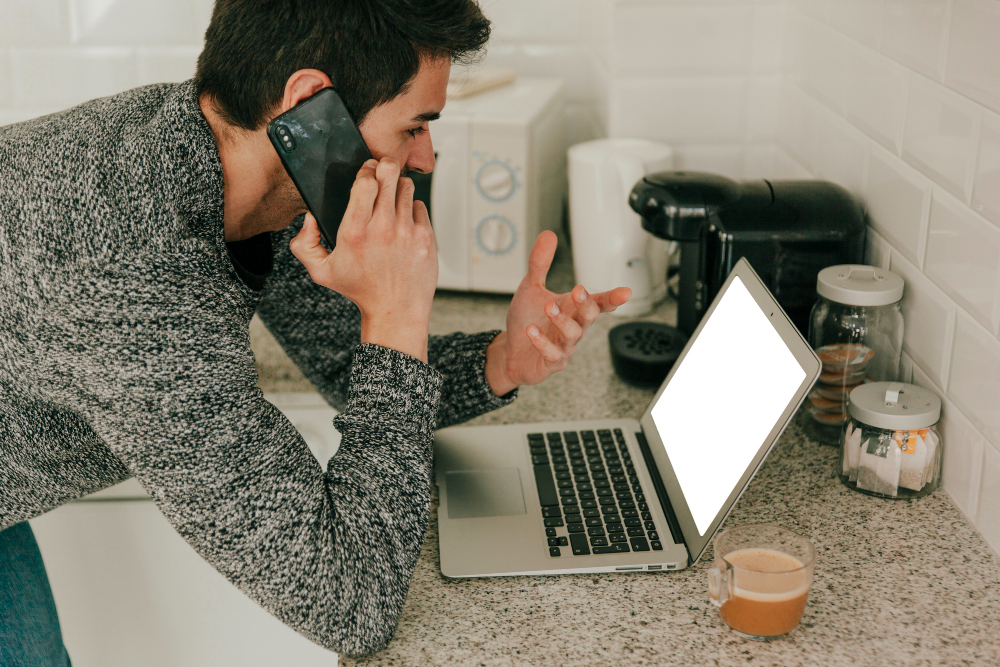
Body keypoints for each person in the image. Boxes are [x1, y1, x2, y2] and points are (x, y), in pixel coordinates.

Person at [0, 0, 631, 662]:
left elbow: (343, 365)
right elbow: (352, 602)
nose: (427, 156)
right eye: (415, 125)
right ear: (310, 101)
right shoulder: (135, 284)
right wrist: (396, 314)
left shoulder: (229, 159)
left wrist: (501, 359)